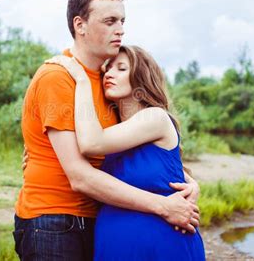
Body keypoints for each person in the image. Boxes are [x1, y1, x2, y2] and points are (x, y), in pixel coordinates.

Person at [13, 0, 200, 261]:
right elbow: (80, 174)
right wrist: (163, 206)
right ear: (80, 25)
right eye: (110, 21)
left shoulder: (104, 87)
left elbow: (137, 156)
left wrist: (190, 182)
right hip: (55, 221)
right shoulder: (59, 76)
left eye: (122, 21)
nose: (120, 29)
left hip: (97, 219)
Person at [47, 45, 206, 260]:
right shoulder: (115, 132)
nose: (109, 74)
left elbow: (91, 143)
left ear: (141, 78)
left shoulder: (155, 117)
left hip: (162, 246)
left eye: (121, 68)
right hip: (115, 247)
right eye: (107, 69)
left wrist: (81, 79)